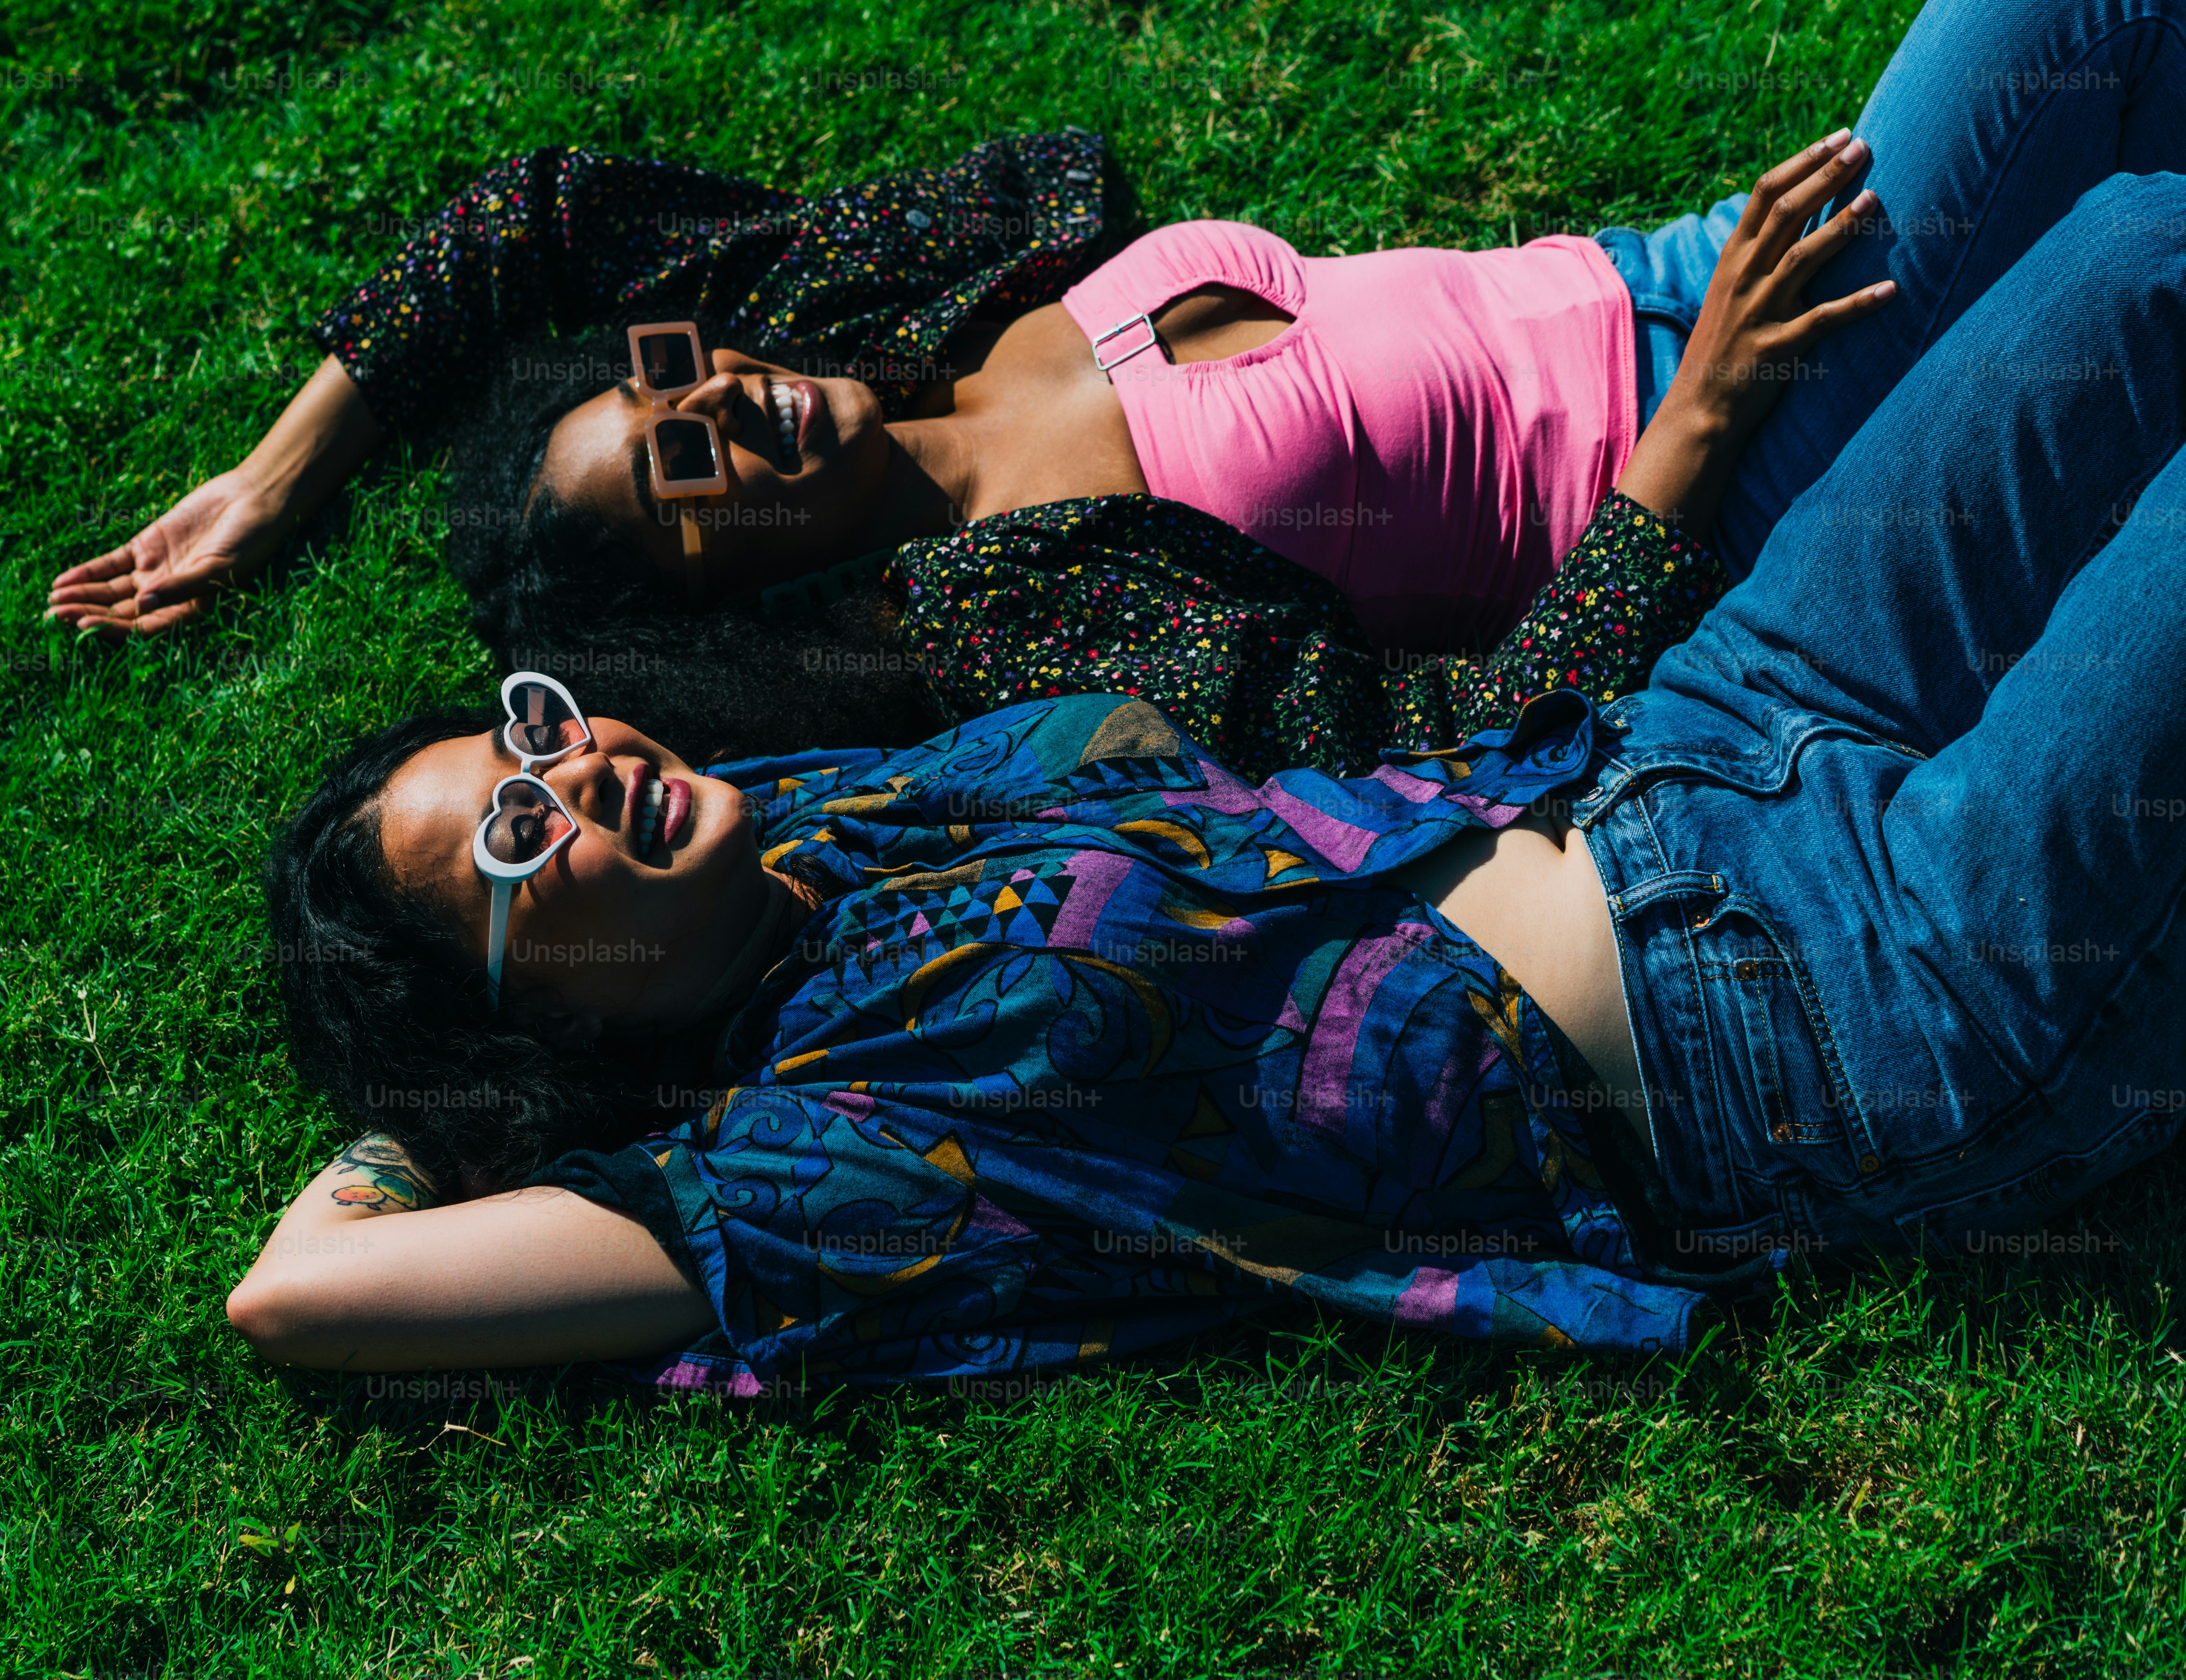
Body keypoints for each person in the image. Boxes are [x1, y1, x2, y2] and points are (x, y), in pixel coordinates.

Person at [226, 163, 2186, 1389]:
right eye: (511, 832)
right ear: (525, 1014)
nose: (570, 775)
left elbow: (559, 221)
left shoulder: (843, 809)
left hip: (1687, 746)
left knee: (2136, 253)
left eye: (539, 730)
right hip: (1805, 1024)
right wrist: (459, 1120)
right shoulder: (813, 1153)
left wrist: (308, 439)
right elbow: (300, 1296)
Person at [56, 0, 2186, 776]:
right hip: (1739, 451)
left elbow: (542, 214)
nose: (729, 404)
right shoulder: (1011, 617)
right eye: (693, 472)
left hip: (1665, 262)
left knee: (2137, 139)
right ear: (719, 593)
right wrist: (1692, 439)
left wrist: (278, 466)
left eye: (671, 384)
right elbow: (1446, 747)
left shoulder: (904, 305)